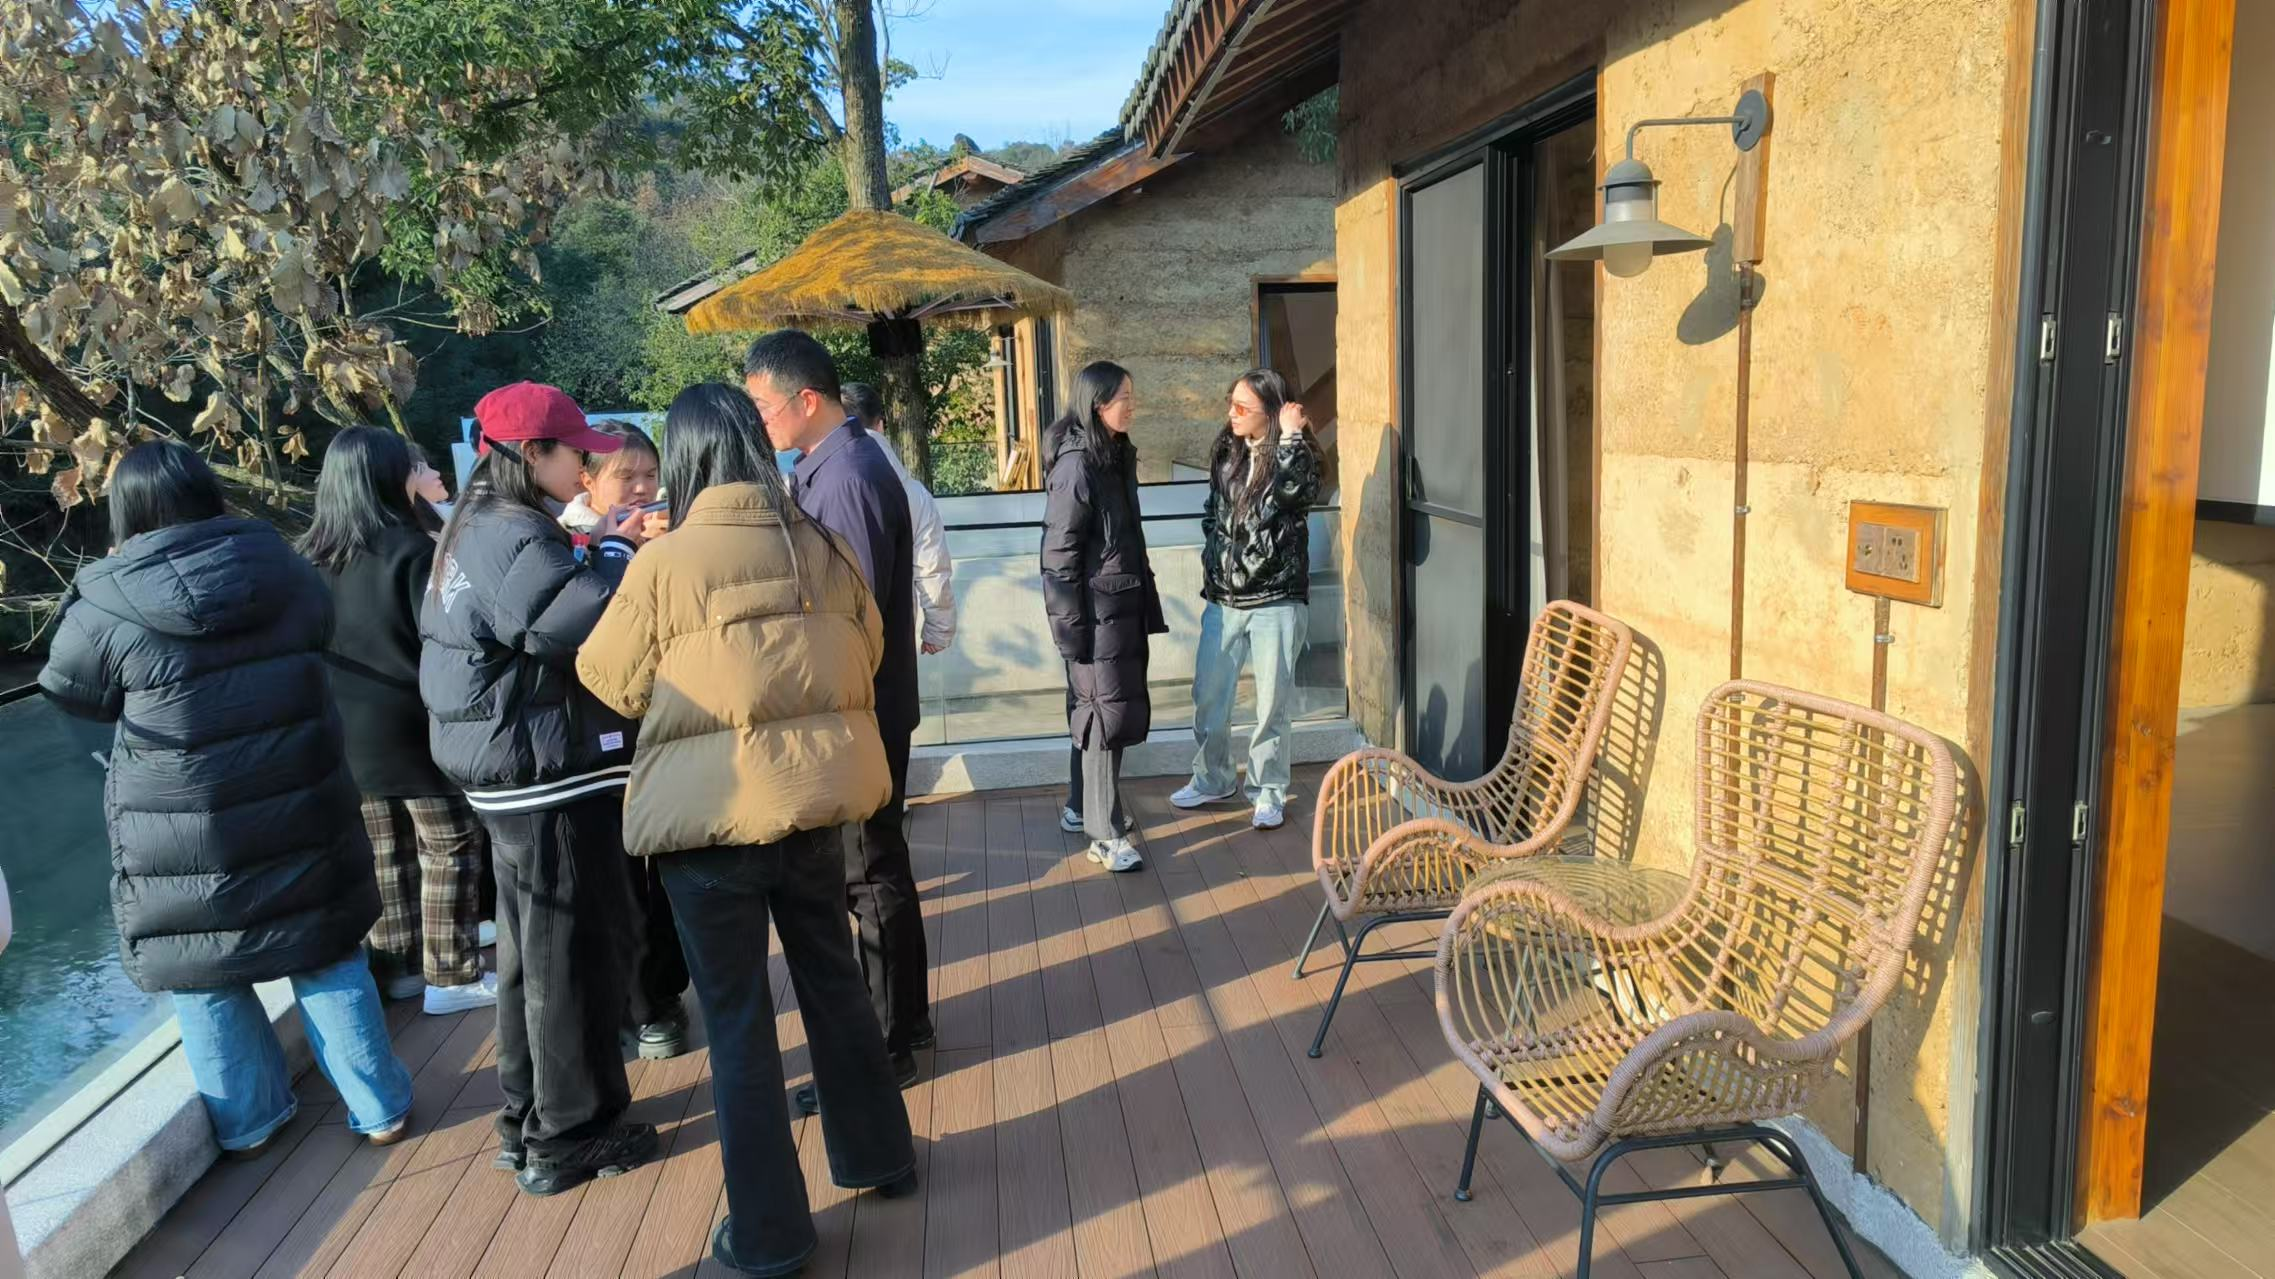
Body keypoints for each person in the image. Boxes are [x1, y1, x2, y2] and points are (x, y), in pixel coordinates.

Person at [579, 384, 916, 1276]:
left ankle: (770, 1235)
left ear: (686, 458)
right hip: (810, 806)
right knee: (835, 983)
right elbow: (869, 649)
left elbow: (608, 678)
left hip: (708, 824)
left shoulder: (662, 563)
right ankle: (880, 1156)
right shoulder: (821, 543)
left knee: (737, 1023)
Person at [41, 441, 414, 1157]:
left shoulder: (107, 599)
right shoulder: (286, 567)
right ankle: (380, 1108)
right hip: (301, 791)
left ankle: (248, 1122)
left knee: (202, 967)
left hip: (180, 820)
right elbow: (320, 634)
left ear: (127, 511)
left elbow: (70, 690)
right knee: (326, 946)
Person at [419, 382, 657, 1196]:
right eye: (575, 452)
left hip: (506, 772)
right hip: (543, 774)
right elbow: (571, 619)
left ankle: (526, 1118)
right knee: (573, 958)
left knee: (532, 955)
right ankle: (570, 1135)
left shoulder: (476, 524)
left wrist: (592, 544)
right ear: (531, 454)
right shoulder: (514, 531)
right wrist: (617, 552)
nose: (587, 463)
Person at [744, 331, 933, 1110]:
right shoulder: (835, 465)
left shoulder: (845, 476)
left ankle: (883, 1048)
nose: (759, 420)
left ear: (805, 399)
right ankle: (905, 1021)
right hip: (868, 704)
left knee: (867, 872)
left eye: (763, 406)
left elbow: (849, 619)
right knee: (879, 863)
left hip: (861, 708)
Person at [300, 427, 495, 1017]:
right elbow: (444, 641)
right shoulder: (412, 551)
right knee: (450, 844)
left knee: (385, 852)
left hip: (343, 730)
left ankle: (401, 967)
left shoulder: (306, 558)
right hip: (413, 723)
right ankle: (452, 975)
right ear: (386, 477)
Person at [550, 420, 690, 1060]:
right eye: (625, 475)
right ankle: (645, 1004)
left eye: (649, 474)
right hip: (601, 737)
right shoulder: (562, 539)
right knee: (621, 877)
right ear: (587, 478)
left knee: (669, 870)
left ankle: (663, 990)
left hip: (669, 726)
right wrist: (616, 553)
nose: (641, 488)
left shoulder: (674, 533)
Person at [1173, 369, 1321, 830]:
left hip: (1276, 597)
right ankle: (1213, 778)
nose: (1231, 413)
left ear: (1271, 412)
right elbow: (1214, 513)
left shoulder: (1297, 453)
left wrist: (1292, 437)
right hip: (1224, 598)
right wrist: (1214, 559)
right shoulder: (1227, 450)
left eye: (1242, 407)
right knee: (1208, 697)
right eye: (1230, 402)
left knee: (1271, 706)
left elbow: (1296, 493)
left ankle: (1268, 790)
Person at [1042, 362, 1167, 873]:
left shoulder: (1113, 455)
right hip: (1095, 622)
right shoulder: (1078, 467)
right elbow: (1058, 558)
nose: (1132, 406)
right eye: (1123, 398)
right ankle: (1105, 833)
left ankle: (1083, 807)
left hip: (1118, 614)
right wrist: (1071, 633)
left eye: (1132, 396)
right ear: (1097, 405)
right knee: (1101, 719)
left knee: (1101, 712)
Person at [841, 382, 957, 654]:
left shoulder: (818, 482)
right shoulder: (914, 493)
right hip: (896, 628)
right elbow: (931, 566)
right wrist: (938, 630)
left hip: (839, 631)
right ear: (881, 425)